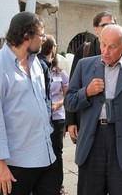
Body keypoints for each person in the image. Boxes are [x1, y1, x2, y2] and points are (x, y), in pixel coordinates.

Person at [64, 24, 122, 195]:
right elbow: (69, 102)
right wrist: (86, 92)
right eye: (103, 44)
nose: (105, 51)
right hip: (92, 139)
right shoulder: (84, 65)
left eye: (112, 46)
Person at [0, 11, 60, 195]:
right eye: (41, 35)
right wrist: (1, 166)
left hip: (47, 157)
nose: (44, 39)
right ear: (26, 36)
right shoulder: (0, 66)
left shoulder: (37, 63)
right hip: (17, 164)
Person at [66, 11, 116, 143]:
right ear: (96, 29)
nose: (109, 28)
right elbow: (72, 87)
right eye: (104, 25)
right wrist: (71, 122)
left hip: (113, 124)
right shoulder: (84, 51)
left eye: (112, 25)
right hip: (86, 119)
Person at [38, 35, 69, 195]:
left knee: (57, 152)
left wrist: (58, 104)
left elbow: (67, 95)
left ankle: (59, 185)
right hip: (42, 119)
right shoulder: (37, 69)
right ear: (53, 48)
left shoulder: (60, 73)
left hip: (57, 118)